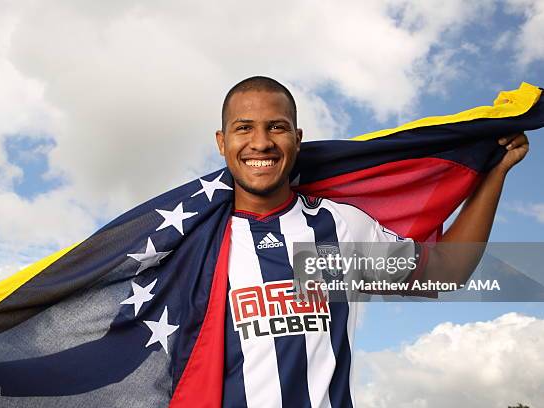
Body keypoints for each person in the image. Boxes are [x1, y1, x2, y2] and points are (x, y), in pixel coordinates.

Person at [214, 76, 529, 407]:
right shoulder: (196, 240)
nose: (261, 142)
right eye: (244, 128)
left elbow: (447, 271)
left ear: (298, 138)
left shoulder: (341, 226)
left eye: (277, 127)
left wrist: (496, 173)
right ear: (222, 142)